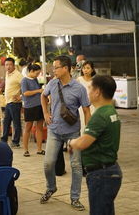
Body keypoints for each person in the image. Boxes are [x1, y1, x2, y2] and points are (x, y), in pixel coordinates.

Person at [40, 55, 91, 211]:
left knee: (76, 166)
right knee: (48, 164)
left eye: (56, 67)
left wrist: (87, 133)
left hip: (73, 133)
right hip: (54, 131)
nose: (53, 70)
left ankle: (75, 198)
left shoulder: (79, 88)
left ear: (66, 68)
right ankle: (51, 187)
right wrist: (45, 114)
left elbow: (86, 110)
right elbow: (43, 96)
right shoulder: (52, 83)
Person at [69, 75, 122, 215]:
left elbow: (84, 142)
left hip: (101, 174)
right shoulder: (111, 111)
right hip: (109, 171)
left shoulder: (99, 115)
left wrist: (72, 142)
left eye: (90, 88)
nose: (88, 92)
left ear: (97, 92)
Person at [21, 63, 45, 157]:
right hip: (29, 106)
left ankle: (39, 149)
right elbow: (25, 93)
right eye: (37, 73)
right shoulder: (24, 81)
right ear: (31, 71)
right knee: (28, 127)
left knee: (39, 127)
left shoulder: (35, 79)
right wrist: (38, 91)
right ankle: (25, 150)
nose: (38, 75)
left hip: (39, 105)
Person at [0, 57, 23, 148]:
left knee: (16, 123)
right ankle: (4, 139)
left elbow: (25, 86)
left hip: (15, 103)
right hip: (8, 102)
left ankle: (16, 141)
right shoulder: (7, 74)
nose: (8, 66)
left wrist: (20, 96)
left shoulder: (18, 75)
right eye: (6, 65)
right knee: (6, 122)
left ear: (14, 65)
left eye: (10, 64)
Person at [76, 60, 96, 134]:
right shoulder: (79, 80)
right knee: (83, 126)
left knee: (92, 125)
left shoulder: (95, 81)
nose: (85, 70)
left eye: (88, 68)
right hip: (82, 107)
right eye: (84, 68)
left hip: (93, 106)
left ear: (92, 69)